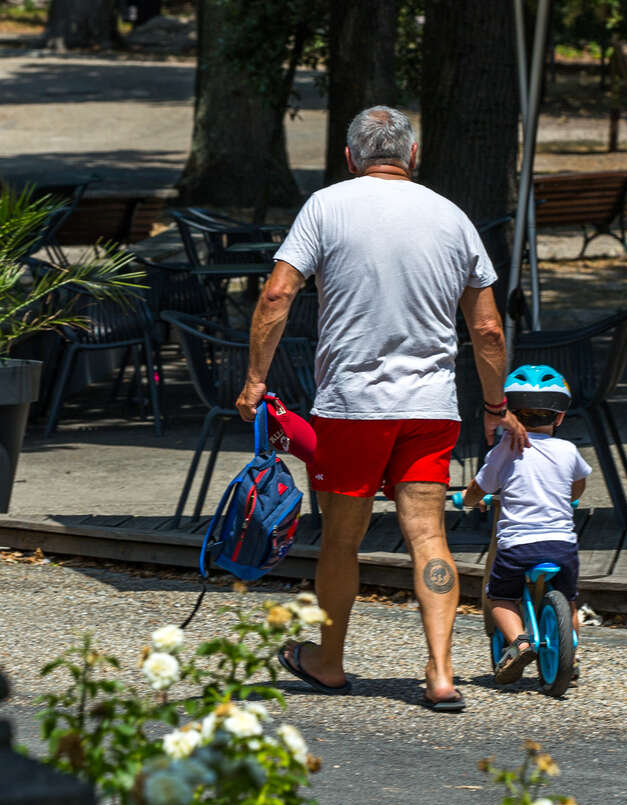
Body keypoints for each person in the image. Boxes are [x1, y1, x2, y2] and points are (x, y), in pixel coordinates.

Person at [236, 105, 526, 713]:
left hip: (352, 407)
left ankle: (328, 660)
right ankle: (441, 673)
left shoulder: (326, 207)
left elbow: (277, 294)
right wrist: (495, 404)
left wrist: (257, 380)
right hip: (431, 408)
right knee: (429, 535)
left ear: (350, 157)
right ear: (412, 155)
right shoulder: (452, 217)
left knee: (342, 539)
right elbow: (488, 329)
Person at [458, 365, 589, 683]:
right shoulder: (568, 450)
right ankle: (570, 656)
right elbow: (578, 485)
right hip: (562, 545)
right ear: (559, 417)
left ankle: (520, 642)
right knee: (569, 600)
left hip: (518, 546)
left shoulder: (504, 450)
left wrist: (468, 500)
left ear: (511, 416)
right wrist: (569, 499)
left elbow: (479, 487)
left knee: (500, 596)